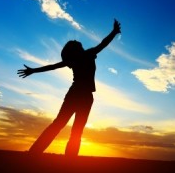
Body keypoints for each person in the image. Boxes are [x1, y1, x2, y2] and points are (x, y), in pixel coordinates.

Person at [18, 19, 121, 158]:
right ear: (76, 49)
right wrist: (114, 32)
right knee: (70, 128)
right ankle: (52, 156)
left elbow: (52, 66)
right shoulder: (86, 55)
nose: (81, 45)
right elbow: (103, 44)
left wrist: (33, 71)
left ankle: (41, 154)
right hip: (81, 95)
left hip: (81, 95)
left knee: (65, 126)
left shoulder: (79, 57)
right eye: (79, 45)